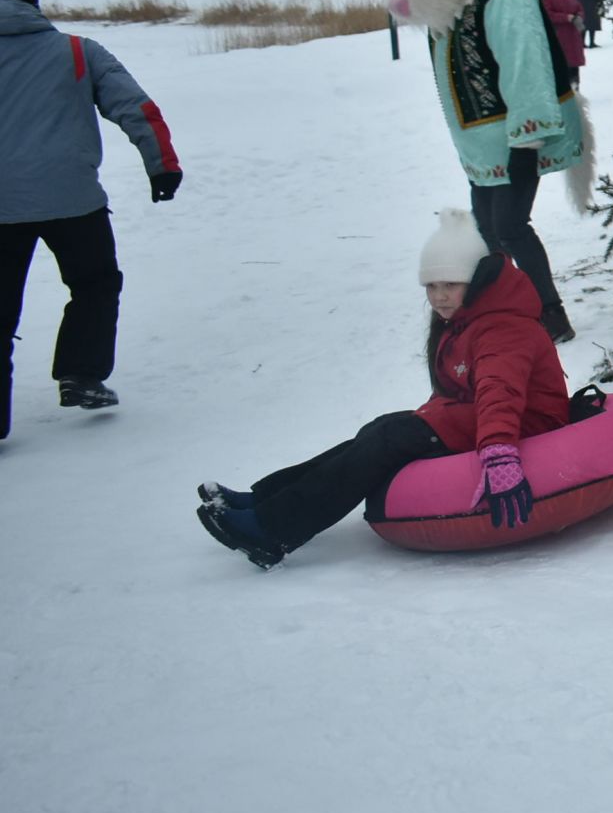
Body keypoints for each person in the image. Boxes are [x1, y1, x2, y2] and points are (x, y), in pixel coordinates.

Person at [196, 209, 571, 569]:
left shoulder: (502, 327)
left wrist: (499, 452)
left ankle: (271, 530)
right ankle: (264, 499)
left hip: (525, 421)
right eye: (432, 286)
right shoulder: (464, 319)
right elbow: (458, 389)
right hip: (481, 414)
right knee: (379, 429)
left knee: (390, 438)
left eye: (451, 285)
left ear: (476, 282)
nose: (440, 296)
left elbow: (498, 391)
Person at [362, 0, 592, 344]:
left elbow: (527, 70)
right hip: (483, 150)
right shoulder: (454, 7)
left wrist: (527, 143)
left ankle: (551, 314)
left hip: (515, 142)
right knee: (488, 228)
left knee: (510, 226)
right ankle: (506, 305)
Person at [1, 0, 183, 440]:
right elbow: (137, 107)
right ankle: (81, 375)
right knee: (95, 285)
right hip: (73, 197)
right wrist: (162, 166)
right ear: (34, 11)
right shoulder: (78, 51)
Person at [542, 0, 587, 88]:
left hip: (573, 36)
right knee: (563, 65)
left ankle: (576, 88)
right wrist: (566, 17)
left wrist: (579, 16)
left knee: (574, 65)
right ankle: (565, 92)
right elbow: (548, 15)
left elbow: (579, 8)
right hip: (560, 36)